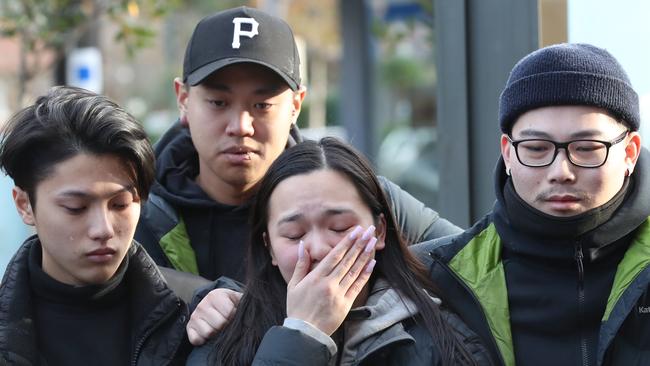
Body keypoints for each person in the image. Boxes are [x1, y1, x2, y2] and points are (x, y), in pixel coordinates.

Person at [134, 6, 460, 283]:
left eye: (262, 105)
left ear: (296, 105)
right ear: (183, 99)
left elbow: (473, 258)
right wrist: (192, 295)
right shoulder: (131, 213)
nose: (240, 126)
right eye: (219, 103)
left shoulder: (359, 198)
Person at [413, 43, 650, 366]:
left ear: (630, 152)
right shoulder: (437, 282)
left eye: (587, 148)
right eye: (537, 148)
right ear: (508, 154)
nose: (560, 172)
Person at [186, 137, 490, 365]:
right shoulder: (224, 337)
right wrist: (302, 334)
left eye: (340, 227)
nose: (319, 249)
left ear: (380, 231)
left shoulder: (445, 338)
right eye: (295, 234)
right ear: (270, 248)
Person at [0, 86, 191, 365]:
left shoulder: (194, 313)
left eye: (120, 204)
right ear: (24, 205)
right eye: (76, 208)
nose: (103, 229)